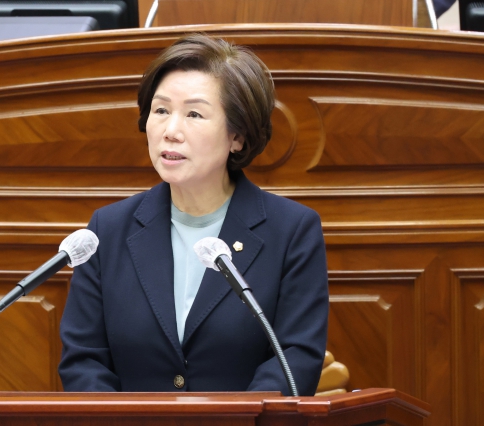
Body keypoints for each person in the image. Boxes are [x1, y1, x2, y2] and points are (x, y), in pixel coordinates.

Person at [59, 34, 329, 396]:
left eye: (194, 114)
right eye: (161, 111)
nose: (171, 131)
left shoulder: (292, 231)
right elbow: (83, 361)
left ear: (237, 136)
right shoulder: (106, 230)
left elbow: (294, 358)